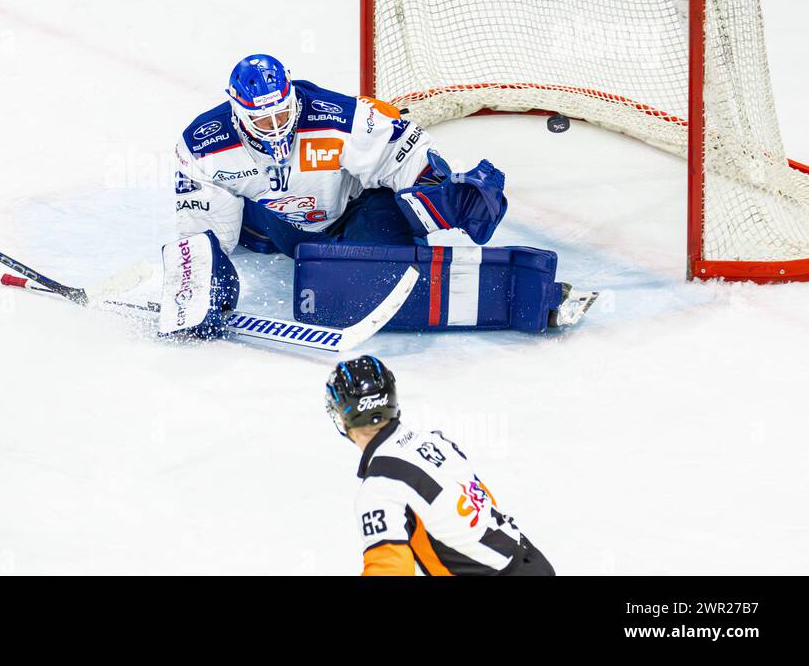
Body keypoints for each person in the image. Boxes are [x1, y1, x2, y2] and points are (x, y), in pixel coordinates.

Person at [156, 54, 596, 340]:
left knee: (368, 277)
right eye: (260, 118)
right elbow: (199, 217)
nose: (274, 127)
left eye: (281, 113)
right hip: (282, 223)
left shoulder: (339, 117)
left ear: (292, 96)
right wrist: (198, 279)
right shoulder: (201, 144)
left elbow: (399, 151)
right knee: (247, 241)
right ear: (236, 109)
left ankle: (529, 294)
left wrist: (439, 188)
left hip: (356, 211)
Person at [326, 355, 554, 576]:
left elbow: (391, 569)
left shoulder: (379, 489)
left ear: (341, 417)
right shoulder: (435, 441)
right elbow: (479, 501)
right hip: (532, 561)